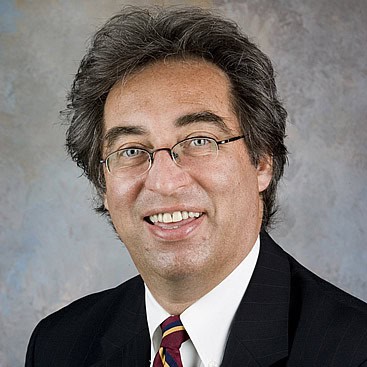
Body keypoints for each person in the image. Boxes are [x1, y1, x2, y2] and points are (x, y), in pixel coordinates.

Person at [25, 6, 367, 367]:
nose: (163, 182)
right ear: (103, 185)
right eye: (130, 150)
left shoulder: (353, 351)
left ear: (262, 161)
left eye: (199, 141)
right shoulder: (59, 344)